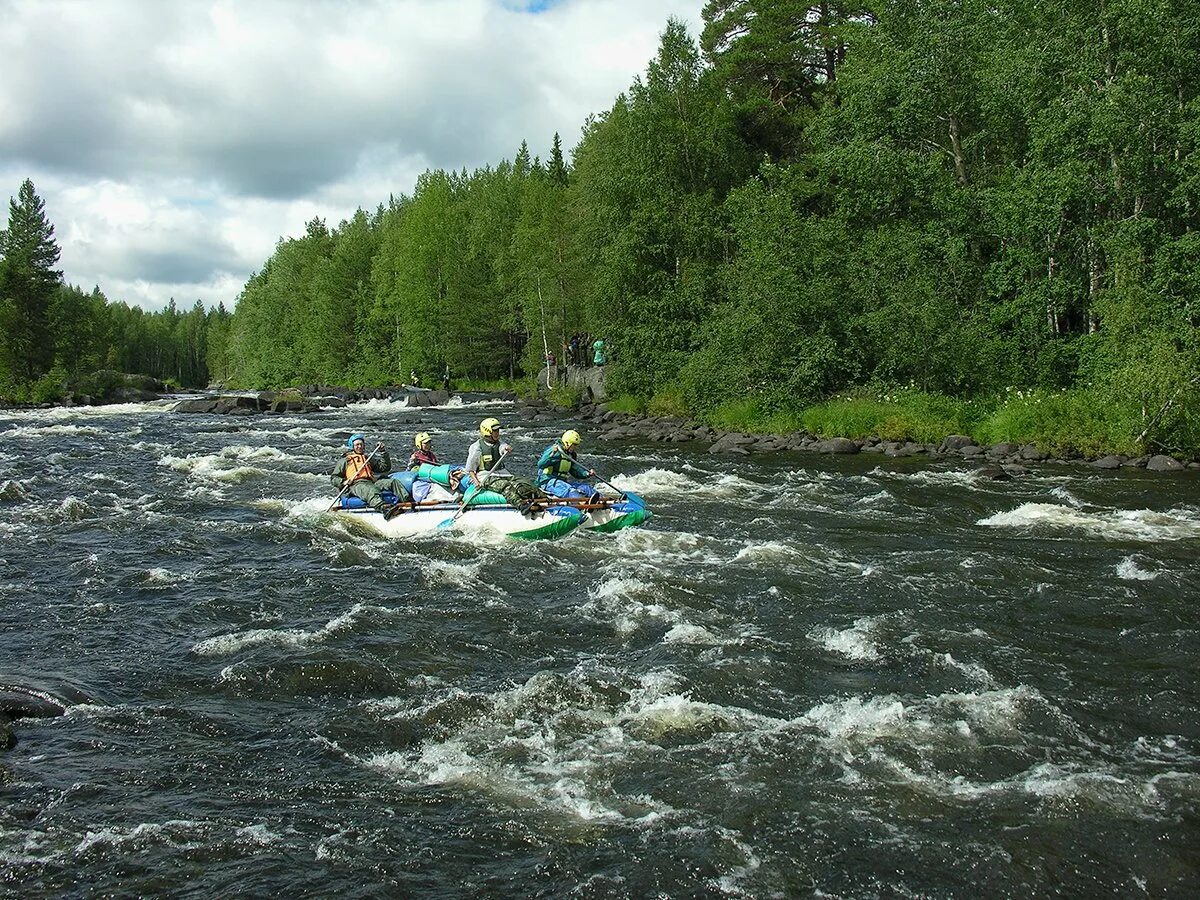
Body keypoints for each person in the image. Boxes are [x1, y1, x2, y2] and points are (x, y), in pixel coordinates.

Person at [464, 418, 544, 516]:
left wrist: (506, 448)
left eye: (498, 430)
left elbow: (503, 447)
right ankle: (521, 506)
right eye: (495, 431)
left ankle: (545, 499)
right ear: (487, 431)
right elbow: (470, 469)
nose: (498, 433)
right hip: (485, 476)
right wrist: (476, 482)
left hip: (502, 473)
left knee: (525, 482)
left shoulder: (499, 443)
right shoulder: (476, 447)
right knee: (505, 486)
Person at [331, 433, 408, 519]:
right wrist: (343, 482)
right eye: (357, 445)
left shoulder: (367, 458)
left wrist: (383, 452)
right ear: (352, 446)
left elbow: (384, 468)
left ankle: (407, 503)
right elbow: (334, 478)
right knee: (370, 490)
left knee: (392, 482)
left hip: (371, 482)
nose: (359, 446)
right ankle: (384, 509)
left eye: (361, 444)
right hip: (355, 485)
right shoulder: (345, 461)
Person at [535, 429, 600, 499]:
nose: (575, 447)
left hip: (562, 482)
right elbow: (540, 464)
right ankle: (583, 506)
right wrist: (552, 454)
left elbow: (575, 470)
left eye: (576, 445)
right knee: (571, 491)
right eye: (573, 445)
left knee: (586, 488)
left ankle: (608, 504)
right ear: (567, 443)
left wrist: (587, 474)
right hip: (548, 482)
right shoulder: (554, 450)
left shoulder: (571, 455)